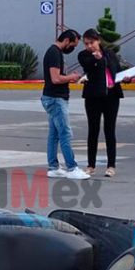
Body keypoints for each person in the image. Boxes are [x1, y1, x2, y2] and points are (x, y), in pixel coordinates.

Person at [78, 29, 131, 178]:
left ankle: (111, 165)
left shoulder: (110, 54)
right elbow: (91, 68)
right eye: (86, 43)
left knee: (110, 130)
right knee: (93, 130)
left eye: (92, 42)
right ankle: (91, 165)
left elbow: (117, 71)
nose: (89, 46)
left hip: (111, 96)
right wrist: (98, 59)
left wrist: (127, 78)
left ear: (98, 41)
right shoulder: (84, 56)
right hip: (93, 97)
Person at [41, 30, 90, 180]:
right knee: (65, 133)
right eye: (73, 45)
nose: (73, 48)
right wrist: (72, 77)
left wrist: (69, 77)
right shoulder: (55, 53)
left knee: (54, 134)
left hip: (52, 97)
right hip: (56, 99)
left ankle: (54, 167)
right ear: (67, 40)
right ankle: (72, 167)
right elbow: (55, 79)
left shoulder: (54, 52)